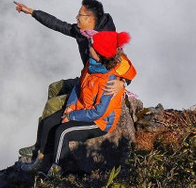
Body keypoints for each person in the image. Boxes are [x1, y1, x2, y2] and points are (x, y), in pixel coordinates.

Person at [13, 0, 136, 120]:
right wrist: (32, 12)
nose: (76, 17)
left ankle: (51, 131)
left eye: (80, 15)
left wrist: (122, 83)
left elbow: (125, 65)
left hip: (99, 89)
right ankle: (51, 125)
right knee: (54, 87)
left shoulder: (107, 37)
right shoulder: (82, 31)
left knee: (53, 104)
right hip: (87, 80)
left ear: (91, 19)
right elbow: (58, 24)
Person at [29, 30, 131, 173]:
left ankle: (57, 171)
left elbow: (99, 112)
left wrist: (72, 116)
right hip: (82, 108)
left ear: (101, 53)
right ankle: (42, 161)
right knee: (48, 123)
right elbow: (79, 87)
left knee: (63, 132)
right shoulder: (92, 65)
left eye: (93, 46)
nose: (89, 47)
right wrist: (70, 106)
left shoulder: (110, 80)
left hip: (99, 122)